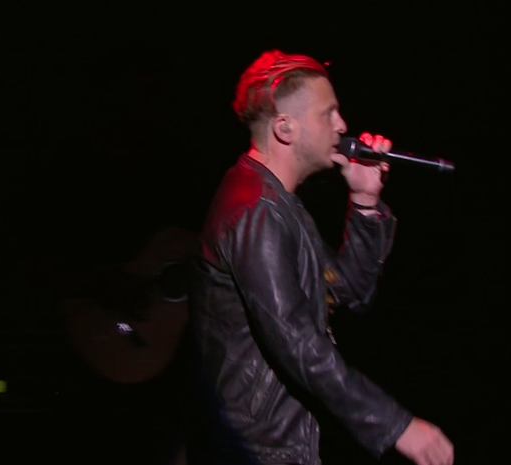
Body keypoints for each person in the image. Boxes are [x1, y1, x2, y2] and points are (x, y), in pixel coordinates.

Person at [185, 49, 454, 465]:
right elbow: (295, 339)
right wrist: (394, 424)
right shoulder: (255, 210)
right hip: (256, 451)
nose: (342, 125)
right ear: (285, 127)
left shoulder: (277, 203)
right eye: (328, 113)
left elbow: (350, 291)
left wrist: (364, 201)